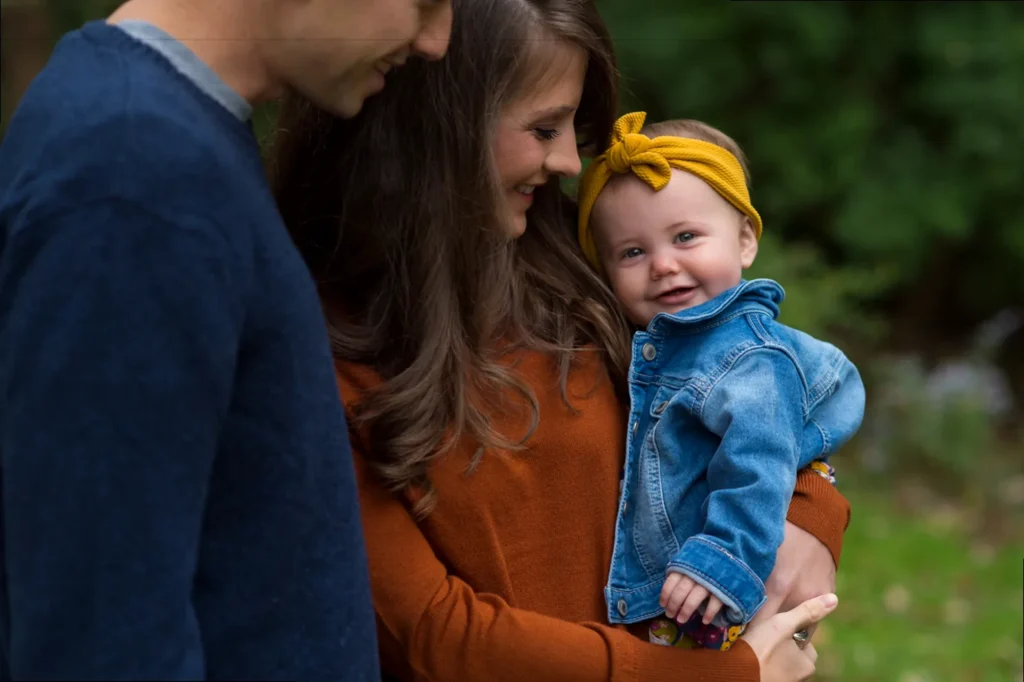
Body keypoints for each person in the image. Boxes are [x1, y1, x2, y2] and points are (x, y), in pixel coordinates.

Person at [270, 0, 847, 679]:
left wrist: (812, 513)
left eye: (575, 126)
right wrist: (723, 676)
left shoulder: (586, 271)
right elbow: (434, 635)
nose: (572, 161)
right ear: (436, 129)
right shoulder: (310, 354)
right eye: (545, 127)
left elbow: (752, 383)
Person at [0, 0, 452, 678]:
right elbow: (100, 638)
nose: (437, 41)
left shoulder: (167, 141)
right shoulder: (133, 171)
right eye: (426, 2)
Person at [575, 112, 865, 652]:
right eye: (632, 252)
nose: (662, 265)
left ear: (745, 241)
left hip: (710, 595)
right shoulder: (657, 350)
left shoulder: (750, 358)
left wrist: (721, 560)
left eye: (685, 236)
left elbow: (758, 469)